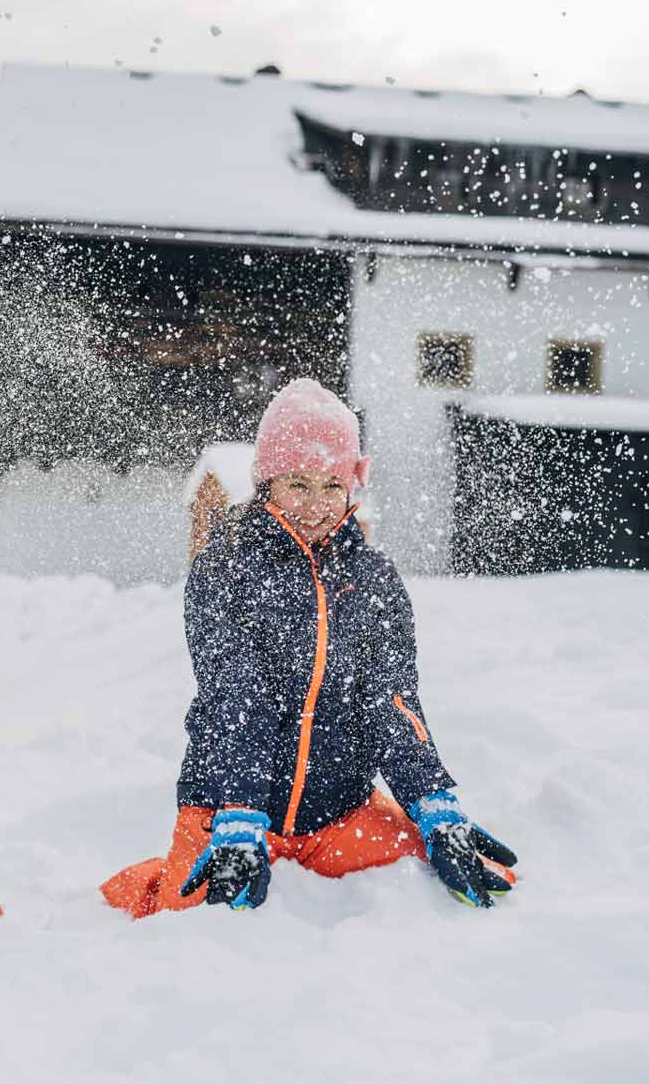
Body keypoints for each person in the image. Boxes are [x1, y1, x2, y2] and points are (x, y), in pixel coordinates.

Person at [102, 378, 518, 917]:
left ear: (352, 485)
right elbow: (236, 696)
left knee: (464, 881)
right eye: (297, 482)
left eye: (331, 485)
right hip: (227, 813)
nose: (315, 504)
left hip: (337, 816)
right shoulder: (226, 568)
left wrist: (432, 804)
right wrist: (240, 814)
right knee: (191, 914)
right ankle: (136, 889)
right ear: (266, 482)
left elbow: (390, 700)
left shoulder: (374, 579)